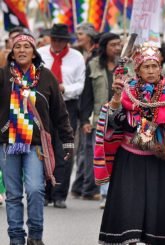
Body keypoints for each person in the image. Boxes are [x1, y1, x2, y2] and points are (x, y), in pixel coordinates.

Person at [94, 44, 165, 245]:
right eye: (147, 67)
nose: (152, 71)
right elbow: (114, 123)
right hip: (130, 161)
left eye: (155, 66)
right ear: (137, 70)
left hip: (163, 162)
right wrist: (117, 99)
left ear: (160, 68)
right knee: (129, 213)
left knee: (162, 216)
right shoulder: (127, 92)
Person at [0, 33, 74, 245]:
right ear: (12, 52)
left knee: (35, 189)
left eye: (26, 46)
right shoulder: (3, 76)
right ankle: (16, 238)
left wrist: (68, 140)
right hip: (7, 144)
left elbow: (60, 113)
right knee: (13, 195)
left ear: (34, 53)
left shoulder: (47, 77)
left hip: (36, 145)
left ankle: (35, 236)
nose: (22, 50)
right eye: (18, 47)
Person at [71, 32, 122, 208]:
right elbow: (87, 95)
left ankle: (117, 193)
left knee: (119, 156)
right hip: (99, 119)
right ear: (104, 47)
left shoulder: (126, 67)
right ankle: (105, 194)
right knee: (101, 155)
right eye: (113, 45)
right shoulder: (93, 65)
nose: (117, 48)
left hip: (122, 118)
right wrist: (84, 119)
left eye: (119, 44)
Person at [38, 24, 85, 208]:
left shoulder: (77, 57)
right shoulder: (40, 53)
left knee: (64, 149)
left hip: (67, 105)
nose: (57, 43)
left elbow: (80, 85)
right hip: (43, 106)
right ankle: (44, 193)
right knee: (43, 148)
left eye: (61, 40)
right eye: (54, 39)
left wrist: (66, 89)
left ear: (67, 41)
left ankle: (59, 195)